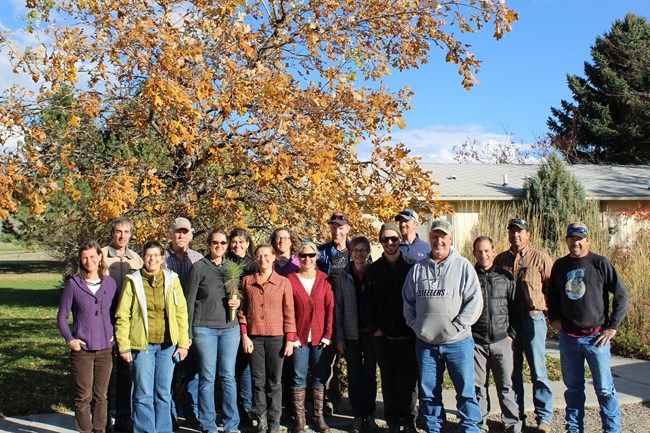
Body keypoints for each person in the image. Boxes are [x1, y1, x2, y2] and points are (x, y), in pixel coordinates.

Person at [402, 218, 483, 433]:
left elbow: (475, 301)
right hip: (426, 344)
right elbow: (407, 300)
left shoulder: (463, 266)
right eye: (435, 237)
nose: (439, 241)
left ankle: (470, 428)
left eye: (443, 237)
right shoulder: (418, 270)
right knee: (429, 393)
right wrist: (414, 324)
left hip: (458, 342)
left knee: (466, 391)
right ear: (430, 239)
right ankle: (433, 428)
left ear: (450, 239)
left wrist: (458, 325)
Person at [548, 222, 629, 433]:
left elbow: (621, 294)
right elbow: (553, 295)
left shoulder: (600, 263)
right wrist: (554, 319)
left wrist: (613, 327)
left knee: (604, 389)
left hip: (596, 338)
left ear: (587, 240)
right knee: (573, 389)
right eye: (572, 238)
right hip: (569, 339)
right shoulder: (560, 265)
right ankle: (575, 429)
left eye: (579, 238)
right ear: (567, 240)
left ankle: (611, 429)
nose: (575, 242)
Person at [115, 240, 190, 433]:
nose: (152, 259)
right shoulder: (134, 281)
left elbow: (181, 312)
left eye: (156, 255)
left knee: (163, 393)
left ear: (162, 257)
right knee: (143, 393)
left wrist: (183, 344)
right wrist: (123, 345)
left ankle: (164, 430)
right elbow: (123, 315)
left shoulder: (172, 280)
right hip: (143, 346)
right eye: (148, 255)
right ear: (143, 258)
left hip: (167, 346)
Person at [494, 218, 554, 433]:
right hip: (509, 321)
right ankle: (516, 417)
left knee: (538, 370)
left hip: (533, 318)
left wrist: (550, 316)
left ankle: (544, 419)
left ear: (528, 234)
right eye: (512, 231)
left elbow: (552, 289)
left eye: (520, 232)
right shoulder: (499, 260)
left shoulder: (540, 258)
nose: (515, 235)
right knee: (512, 371)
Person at [185, 228, 242, 433]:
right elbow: (189, 302)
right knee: (207, 377)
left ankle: (231, 424)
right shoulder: (199, 268)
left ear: (227, 246)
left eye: (223, 243)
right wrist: (188, 334)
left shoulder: (232, 268)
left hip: (229, 329)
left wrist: (238, 302)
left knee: (228, 376)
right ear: (209, 245)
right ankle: (208, 424)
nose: (219, 246)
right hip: (204, 329)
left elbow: (240, 297)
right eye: (215, 243)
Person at [58, 240, 117, 433]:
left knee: (102, 396)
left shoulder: (110, 284)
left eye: (92, 256)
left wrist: (114, 334)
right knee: (84, 396)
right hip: (82, 350)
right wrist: (70, 339)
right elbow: (62, 316)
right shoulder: (74, 284)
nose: (88, 261)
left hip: (105, 350)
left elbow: (117, 312)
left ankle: (100, 430)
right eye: (84, 257)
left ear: (100, 257)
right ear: (80, 260)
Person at [364, 223, 417, 433]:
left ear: (399, 240)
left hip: (409, 335)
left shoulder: (413, 267)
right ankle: (393, 419)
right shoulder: (374, 270)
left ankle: (409, 419)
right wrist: (374, 328)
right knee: (388, 380)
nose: (390, 243)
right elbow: (366, 302)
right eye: (385, 239)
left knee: (409, 381)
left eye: (393, 239)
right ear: (380, 242)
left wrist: (417, 327)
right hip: (383, 336)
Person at [238, 245, 297, 433]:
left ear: (273, 258)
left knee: (274, 382)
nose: (262, 259)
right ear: (255, 259)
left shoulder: (283, 282)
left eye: (266, 255)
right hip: (254, 338)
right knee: (257, 381)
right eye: (259, 256)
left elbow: (289, 312)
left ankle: (274, 422)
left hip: (276, 338)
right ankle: (261, 420)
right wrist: (245, 335)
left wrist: (289, 339)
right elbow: (242, 311)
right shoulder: (247, 281)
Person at [471, 236, 521, 433]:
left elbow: (516, 308)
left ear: (493, 250)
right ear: (474, 253)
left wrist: (511, 335)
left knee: (506, 386)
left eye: (486, 250)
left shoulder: (505, 277)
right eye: (479, 251)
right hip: (477, 342)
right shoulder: (470, 275)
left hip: (502, 340)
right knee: (478, 388)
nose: (483, 255)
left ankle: (512, 424)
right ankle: (480, 424)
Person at [287, 241, 334, 433]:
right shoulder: (290, 279)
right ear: (298, 257)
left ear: (317, 258)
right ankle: (300, 419)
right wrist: (292, 335)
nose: (307, 259)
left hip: (320, 337)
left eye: (311, 255)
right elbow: (287, 309)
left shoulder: (324, 279)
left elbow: (330, 309)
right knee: (298, 377)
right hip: (298, 337)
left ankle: (318, 416)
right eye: (303, 255)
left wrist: (328, 334)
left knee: (319, 376)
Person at [102, 216, 143, 433]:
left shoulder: (136, 260)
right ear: (112, 232)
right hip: (105, 321)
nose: (122, 236)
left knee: (127, 371)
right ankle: (105, 416)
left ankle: (124, 416)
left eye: (126, 232)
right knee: (106, 372)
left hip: (127, 323)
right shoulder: (101, 256)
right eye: (118, 231)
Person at [334, 236, 379, 433]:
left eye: (362, 250)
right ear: (350, 253)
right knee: (354, 376)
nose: (359, 254)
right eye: (355, 250)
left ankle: (370, 415)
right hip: (352, 335)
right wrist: (340, 338)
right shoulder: (344, 276)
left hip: (372, 334)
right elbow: (338, 310)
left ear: (368, 252)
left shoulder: (375, 273)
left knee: (370, 376)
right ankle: (357, 416)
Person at [163, 217, 203, 428]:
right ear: (171, 234)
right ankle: (169, 413)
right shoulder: (160, 258)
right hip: (167, 323)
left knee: (192, 371)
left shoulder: (198, 258)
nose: (181, 236)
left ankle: (191, 412)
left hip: (193, 323)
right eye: (177, 232)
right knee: (168, 371)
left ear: (190, 235)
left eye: (185, 232)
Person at [317, 212, 353, 414]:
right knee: (326, 361)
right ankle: (328, 401)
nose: (336, 231)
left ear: (347, 229)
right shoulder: (321, 253)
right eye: (333, 227)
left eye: (340, 227)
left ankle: (357, 405)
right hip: (328, 312)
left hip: (352, 313)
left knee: (353, 361)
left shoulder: (356, 250)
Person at [227, 227, 258, 426]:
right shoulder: (225, 263)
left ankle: (246, 407)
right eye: (234, 242)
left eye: (242, 242)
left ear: (248, 244)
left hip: (248, 320)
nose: (237, 245)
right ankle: (231, 407)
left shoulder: (253, 266)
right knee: (229, 367)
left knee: (245, 365)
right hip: (226, 321)